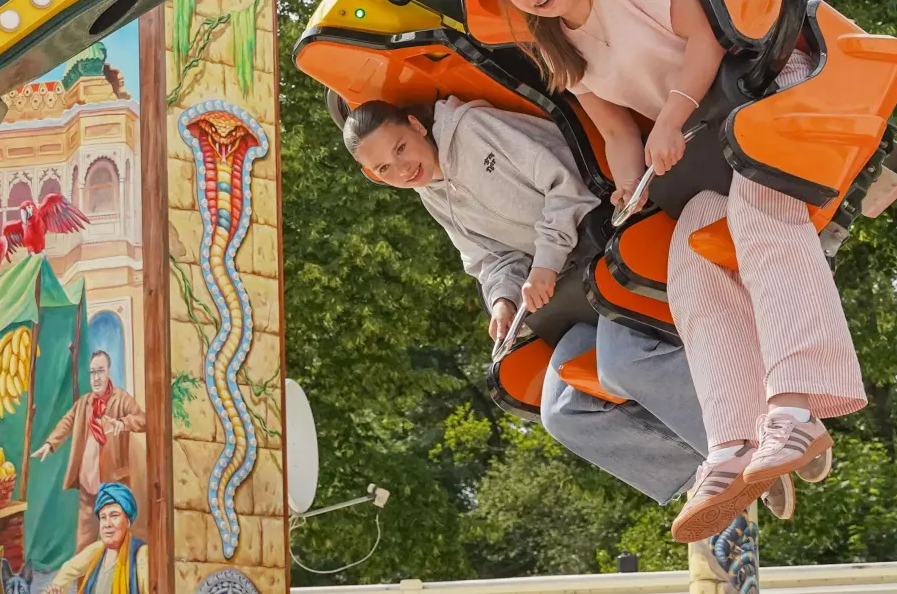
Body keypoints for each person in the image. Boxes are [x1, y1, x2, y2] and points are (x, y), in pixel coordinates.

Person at [486, 0, 859, 542]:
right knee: (690, 266)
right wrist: (626, 190)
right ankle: (733, 441)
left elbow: (705, 43)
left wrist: (672, 118)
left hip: (769, 98)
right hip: (712, 142)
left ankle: (797, 407)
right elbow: (617, 132)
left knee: (761, 217)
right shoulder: (561, 50)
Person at [340, 98, 793, 516]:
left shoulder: (474, 129)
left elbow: (566, 185)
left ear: (417, 125)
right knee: (563, 412)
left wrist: (545, 262)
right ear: (372, 175)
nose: (402, 168)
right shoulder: (430, 192)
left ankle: (754, 438)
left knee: (623, 363)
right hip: (569, 293)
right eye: (384, 168)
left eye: (401, 148)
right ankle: (724, 470)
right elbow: (490, 260)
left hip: (605, 248)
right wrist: (501, 301)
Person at [33, 351, 147, 548]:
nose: (96, 377)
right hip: (88, 487)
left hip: (112, 485)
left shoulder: (121, 399)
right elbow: (67, 422)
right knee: (84, 545)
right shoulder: (85, 403)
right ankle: (86, 571)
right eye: (92, 372)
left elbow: (143, 420)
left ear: (108, 372)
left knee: (116, 542)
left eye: (100, 371)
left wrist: (122, 423)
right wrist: (49, 444)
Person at [44, 483, 148, 594]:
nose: (107, 524)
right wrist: (55, 590)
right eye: (103, 517)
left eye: (114, 515)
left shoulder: (141, 553)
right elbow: (69, 569)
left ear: (127, 521)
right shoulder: (98, 549)